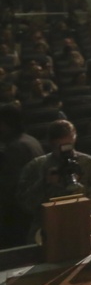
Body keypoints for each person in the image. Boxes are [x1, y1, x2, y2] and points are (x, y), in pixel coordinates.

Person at [17, 120, 91, 239]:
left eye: (68, 145)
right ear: (50, 143)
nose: (64, 151)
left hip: (83, 223)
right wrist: (44, 183)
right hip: (47, 225)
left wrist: (79, 188)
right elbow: (25, 205)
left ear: (75, 139)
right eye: (58, 146)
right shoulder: (36, 167)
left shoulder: (88, 163)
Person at [0, 104, 44, 247]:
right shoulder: (30, 139)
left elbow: (9, 187)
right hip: (34, 205)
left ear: (6, 125)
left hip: (21, 213)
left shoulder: (15, 148)